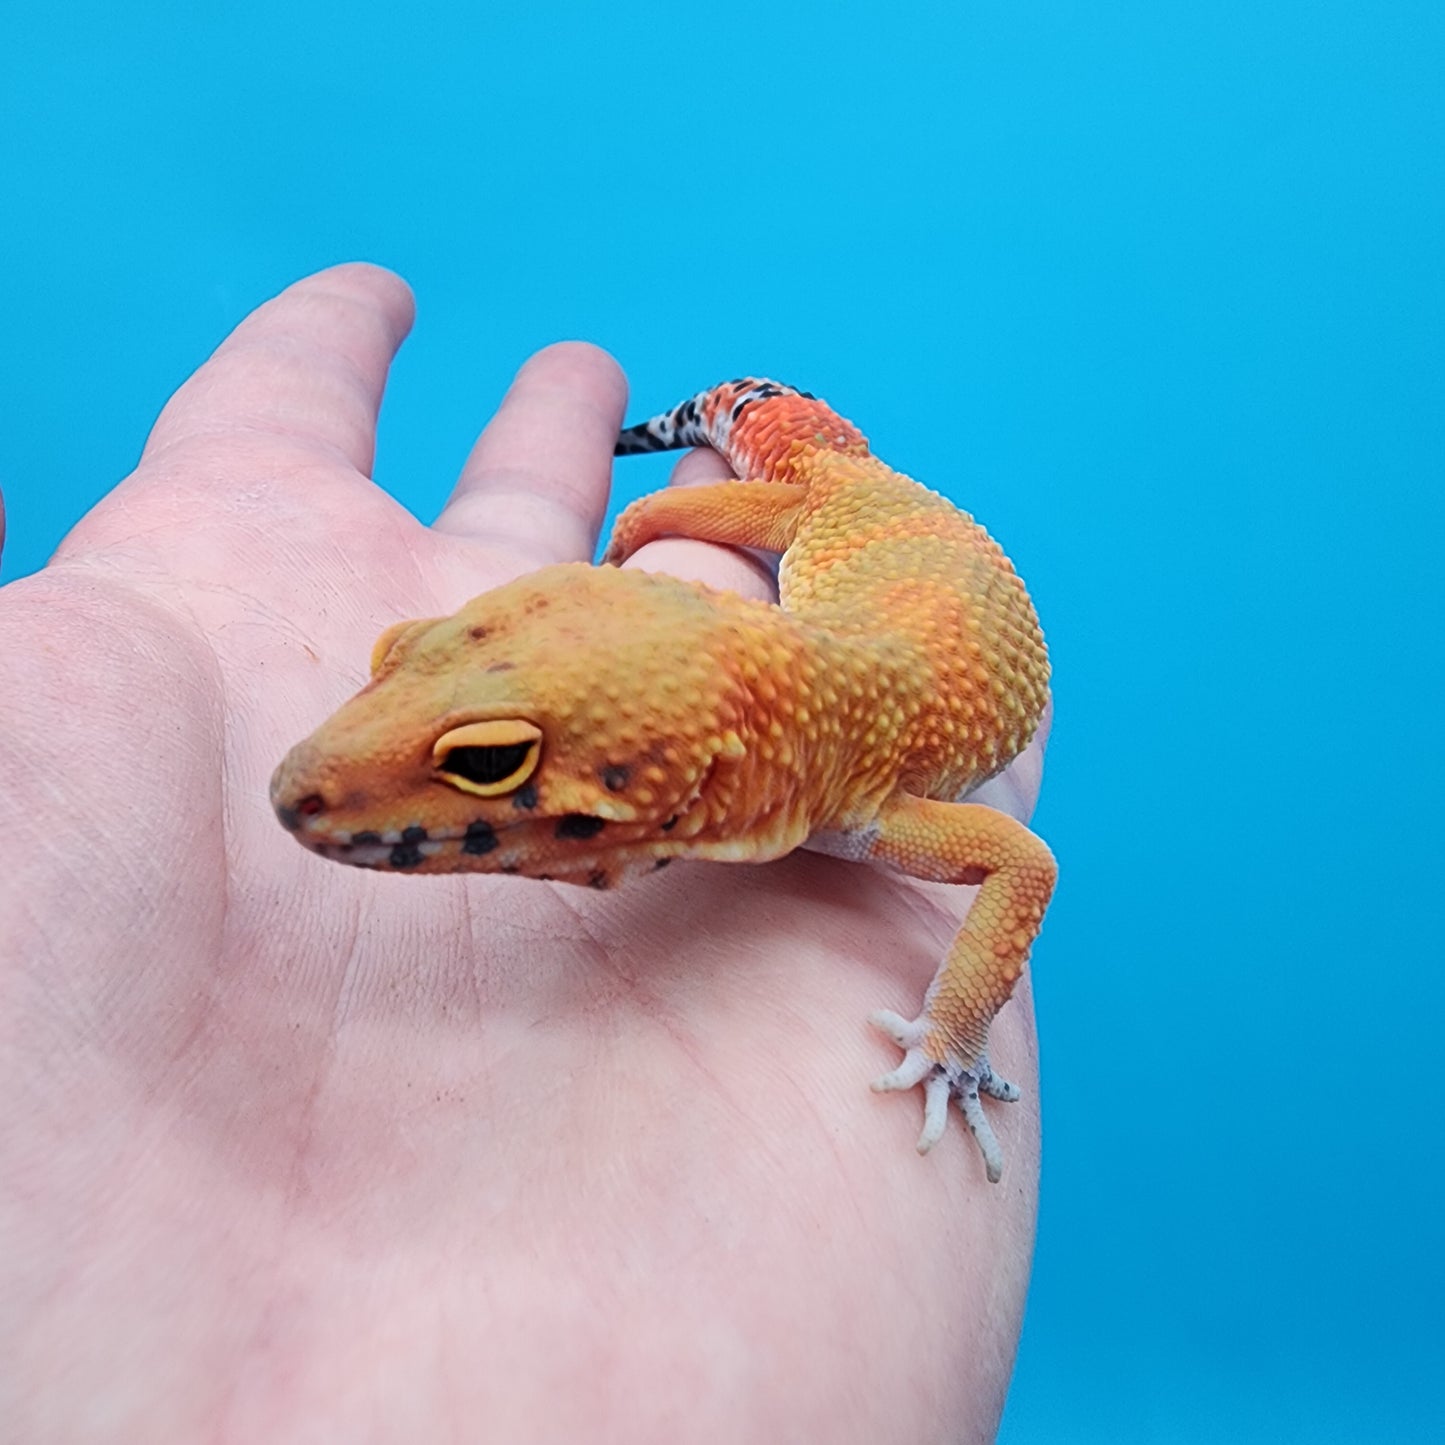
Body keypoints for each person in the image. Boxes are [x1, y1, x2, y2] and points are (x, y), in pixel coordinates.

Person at [0, 264, 1047, 1442]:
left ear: (709, 773)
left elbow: (1020, 864)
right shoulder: (747, 703)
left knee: (654, 519)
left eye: (489, 760)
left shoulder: (865, 797)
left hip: (858, 520)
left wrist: (953, 1032)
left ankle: (690, 458)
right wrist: (600, 618)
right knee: (649, 522)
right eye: (405, 660)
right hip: (853, 550)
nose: (318, 770)